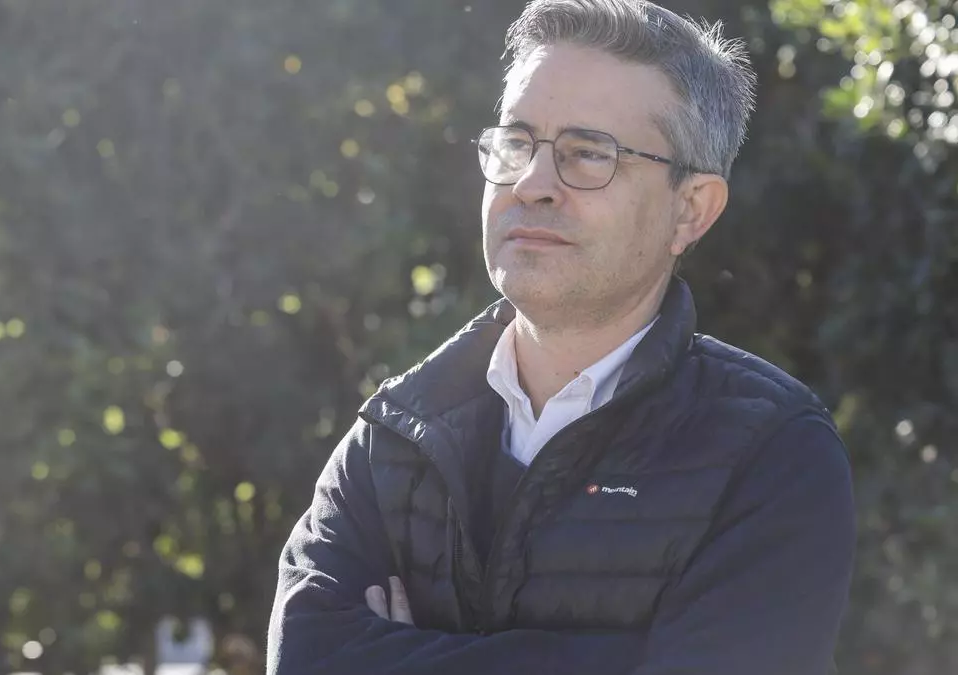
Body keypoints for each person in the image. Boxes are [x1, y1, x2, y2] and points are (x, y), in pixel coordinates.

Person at [265, 1, 856, 673]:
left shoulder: (772, 454)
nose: (532, 184)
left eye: (588, 154)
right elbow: (305, 655)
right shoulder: (394, 436)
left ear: (691, 209)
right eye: (517, 144)